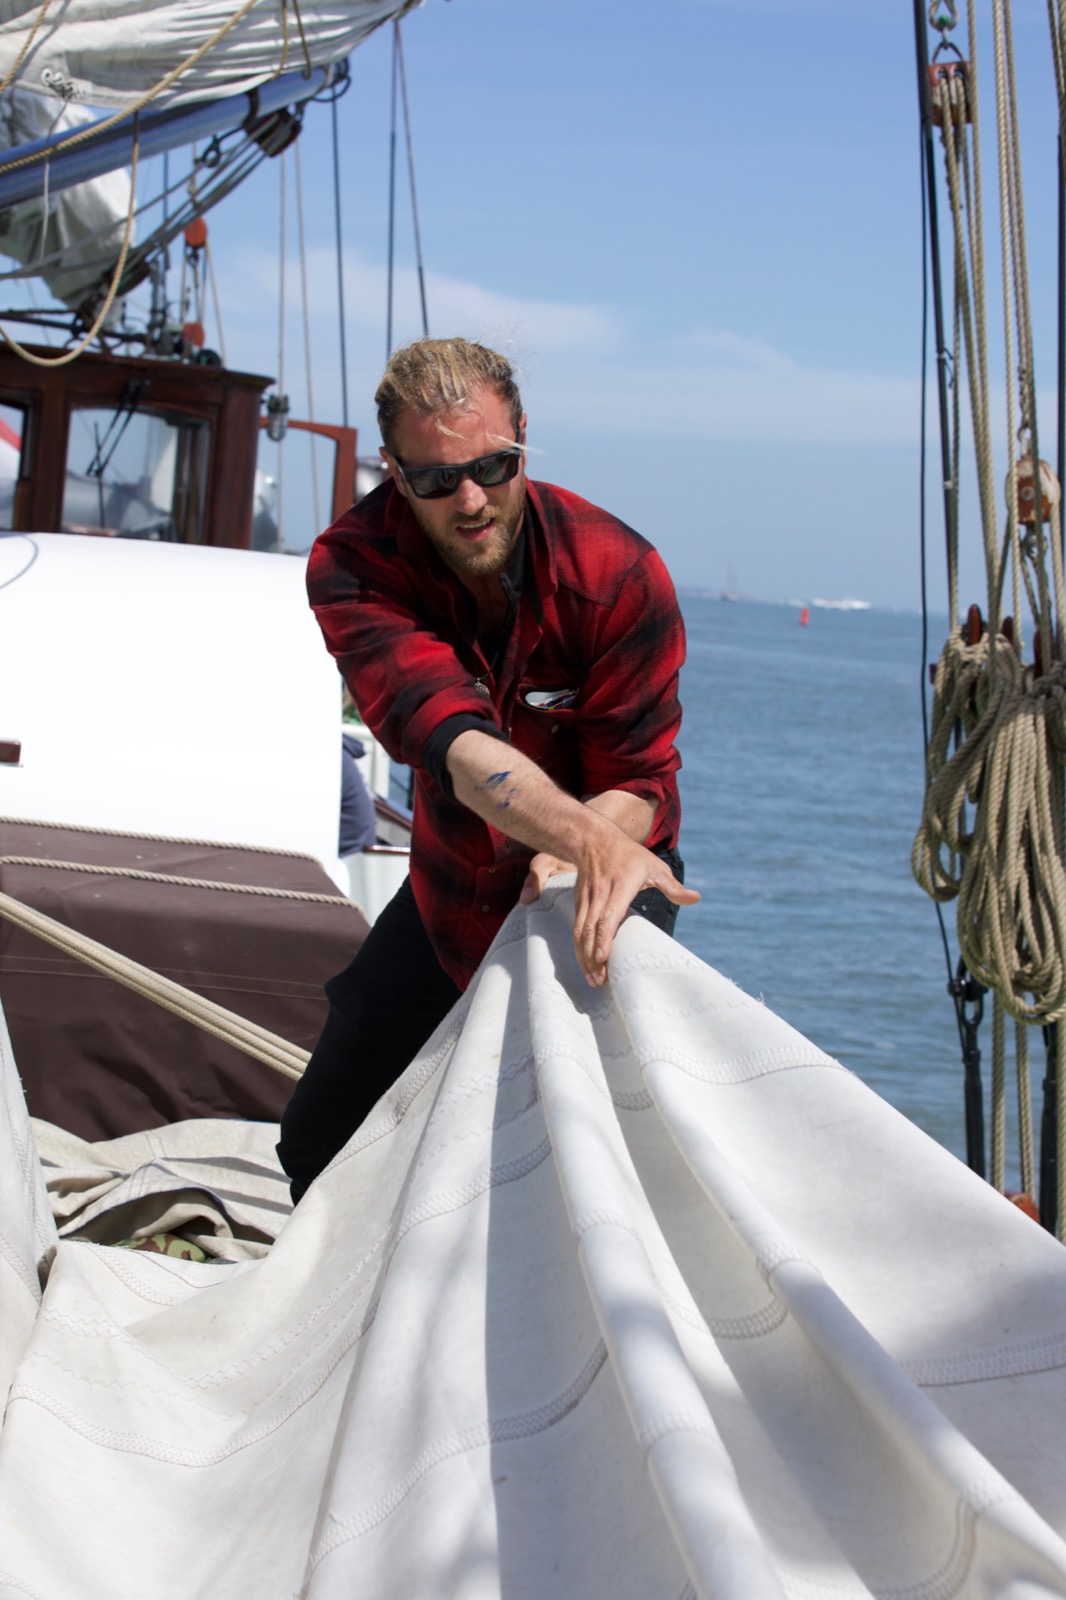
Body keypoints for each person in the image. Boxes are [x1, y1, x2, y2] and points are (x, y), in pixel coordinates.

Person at [278, 337, 698, 1202]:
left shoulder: (618, 575)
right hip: (455, 891)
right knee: (318, 1141)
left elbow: (639, 778)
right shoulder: (353, 565)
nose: (470, 500)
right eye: (435, 479)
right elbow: (455, 745)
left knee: (580, 1167)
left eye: (493, 466)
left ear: (522, 442)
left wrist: (581, 854)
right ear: (394, 471)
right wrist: (575, 836)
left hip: (607, 877)